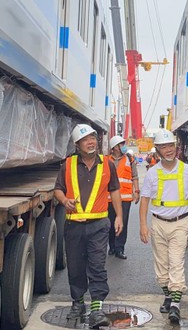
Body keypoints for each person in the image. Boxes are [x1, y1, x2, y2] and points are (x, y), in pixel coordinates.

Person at [54, 124, 123, 329]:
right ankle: (77, 303)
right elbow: (58, 189)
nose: (91, 142)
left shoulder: (107, 165)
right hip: (74, 225)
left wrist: (119, 216)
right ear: (77, 145)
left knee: (97, 266)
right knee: (75, 266)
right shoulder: (67, 164)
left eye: (93, 138)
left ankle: (96, 308)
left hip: (99, 225)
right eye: (86, 140)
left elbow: (115, 191)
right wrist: (64, 200)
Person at [139, 129, 188, 324]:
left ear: (176, 147)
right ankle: (168, 295)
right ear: (157, 150)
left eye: (171, 146)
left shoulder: (187, 170)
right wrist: (143, 225)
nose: (169, 150)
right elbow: (144, 200)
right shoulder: (152, 173)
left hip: (180, 223)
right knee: (161, 266)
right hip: (158, 223)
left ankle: (175, 305)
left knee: (176, 263)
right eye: (164, 147)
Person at [106, 135, 139, 259]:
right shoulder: (106, 160)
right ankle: (112, 246)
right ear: (115, 147)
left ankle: (119, 248)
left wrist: (137, 191)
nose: (124, 147)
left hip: (125, 198)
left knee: (122, 222)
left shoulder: (129, 160)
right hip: (109, 198)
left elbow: (134, 176)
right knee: (109, 222)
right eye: (121, 144)